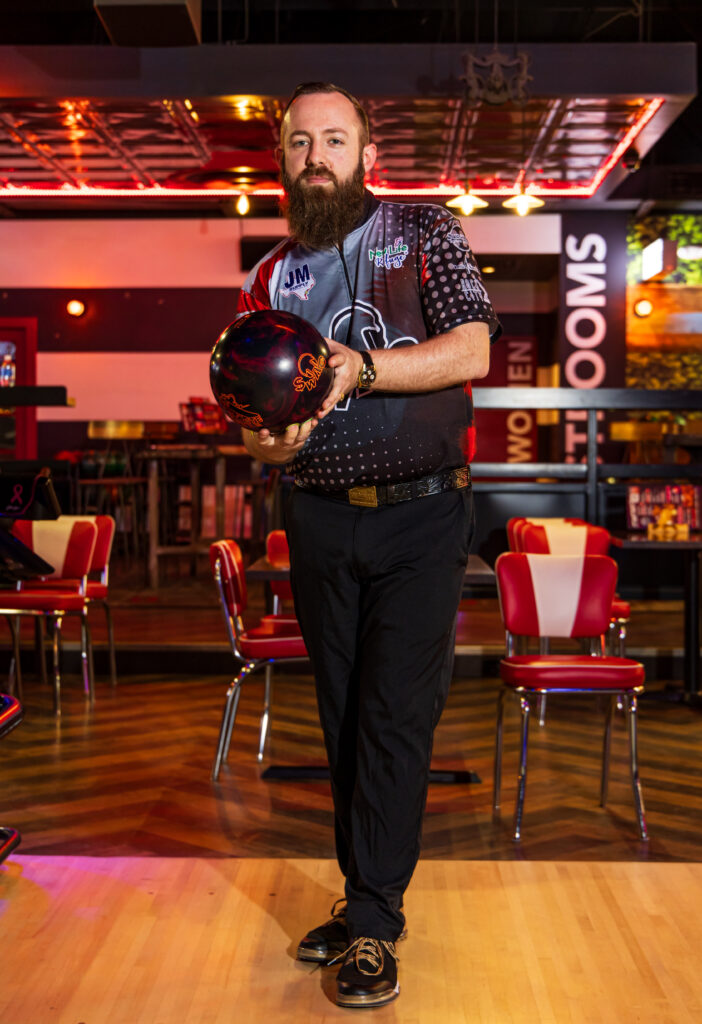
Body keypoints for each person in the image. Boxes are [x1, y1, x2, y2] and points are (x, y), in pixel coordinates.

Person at [239, 81, 500, 1009]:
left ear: (364, 154)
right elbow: (266, 425)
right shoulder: (269, 278)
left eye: (334, 139)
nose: (317, 156)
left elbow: (472, 350)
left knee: (395, 715)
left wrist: (363, 369)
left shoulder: (422, 233)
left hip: (423, 516)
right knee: (346, 715)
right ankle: (362, 903)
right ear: (282, 157)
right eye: (300, 141)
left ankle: (377, 924)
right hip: (316, 516)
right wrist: (269, 436)